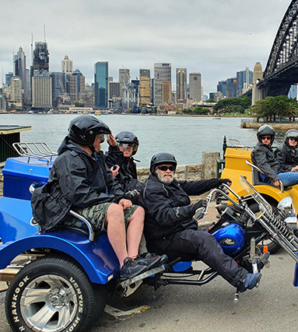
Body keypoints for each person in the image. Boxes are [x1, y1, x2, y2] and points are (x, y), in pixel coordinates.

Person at [31, 115, 162, 281]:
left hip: (86, 204)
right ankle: (125, 265)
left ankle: (134, 260)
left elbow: (110, 181)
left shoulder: (96, 157)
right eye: (99, 138)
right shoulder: (69, 159)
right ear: (86, 138)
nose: (101, 141)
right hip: (67, 211)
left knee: (137, 211)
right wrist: (110, 202)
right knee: (114, 210)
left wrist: (120, 197)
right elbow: (77, 193)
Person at [139, 152, 264, 293]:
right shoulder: (152, 190)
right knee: (204, 240)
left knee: (219, 232)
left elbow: (192, 186)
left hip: (181, 231)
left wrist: (216, 182)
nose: (168, 171)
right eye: (163, 168)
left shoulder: (170, 184)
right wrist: (193, 208)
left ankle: (247, 264)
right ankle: (240, 279)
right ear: (154, 170)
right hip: (165, 239)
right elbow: (164, 216)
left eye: (171, 168)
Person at [251, 125, 298, 214]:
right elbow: (263, 165)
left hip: (278, 173)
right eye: (263, 138)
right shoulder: (260, 150)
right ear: (260, 138)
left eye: (268, 138)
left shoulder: (266, 148)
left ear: (271, 139)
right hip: (273, 177)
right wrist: (274, 178)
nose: (266, 139)